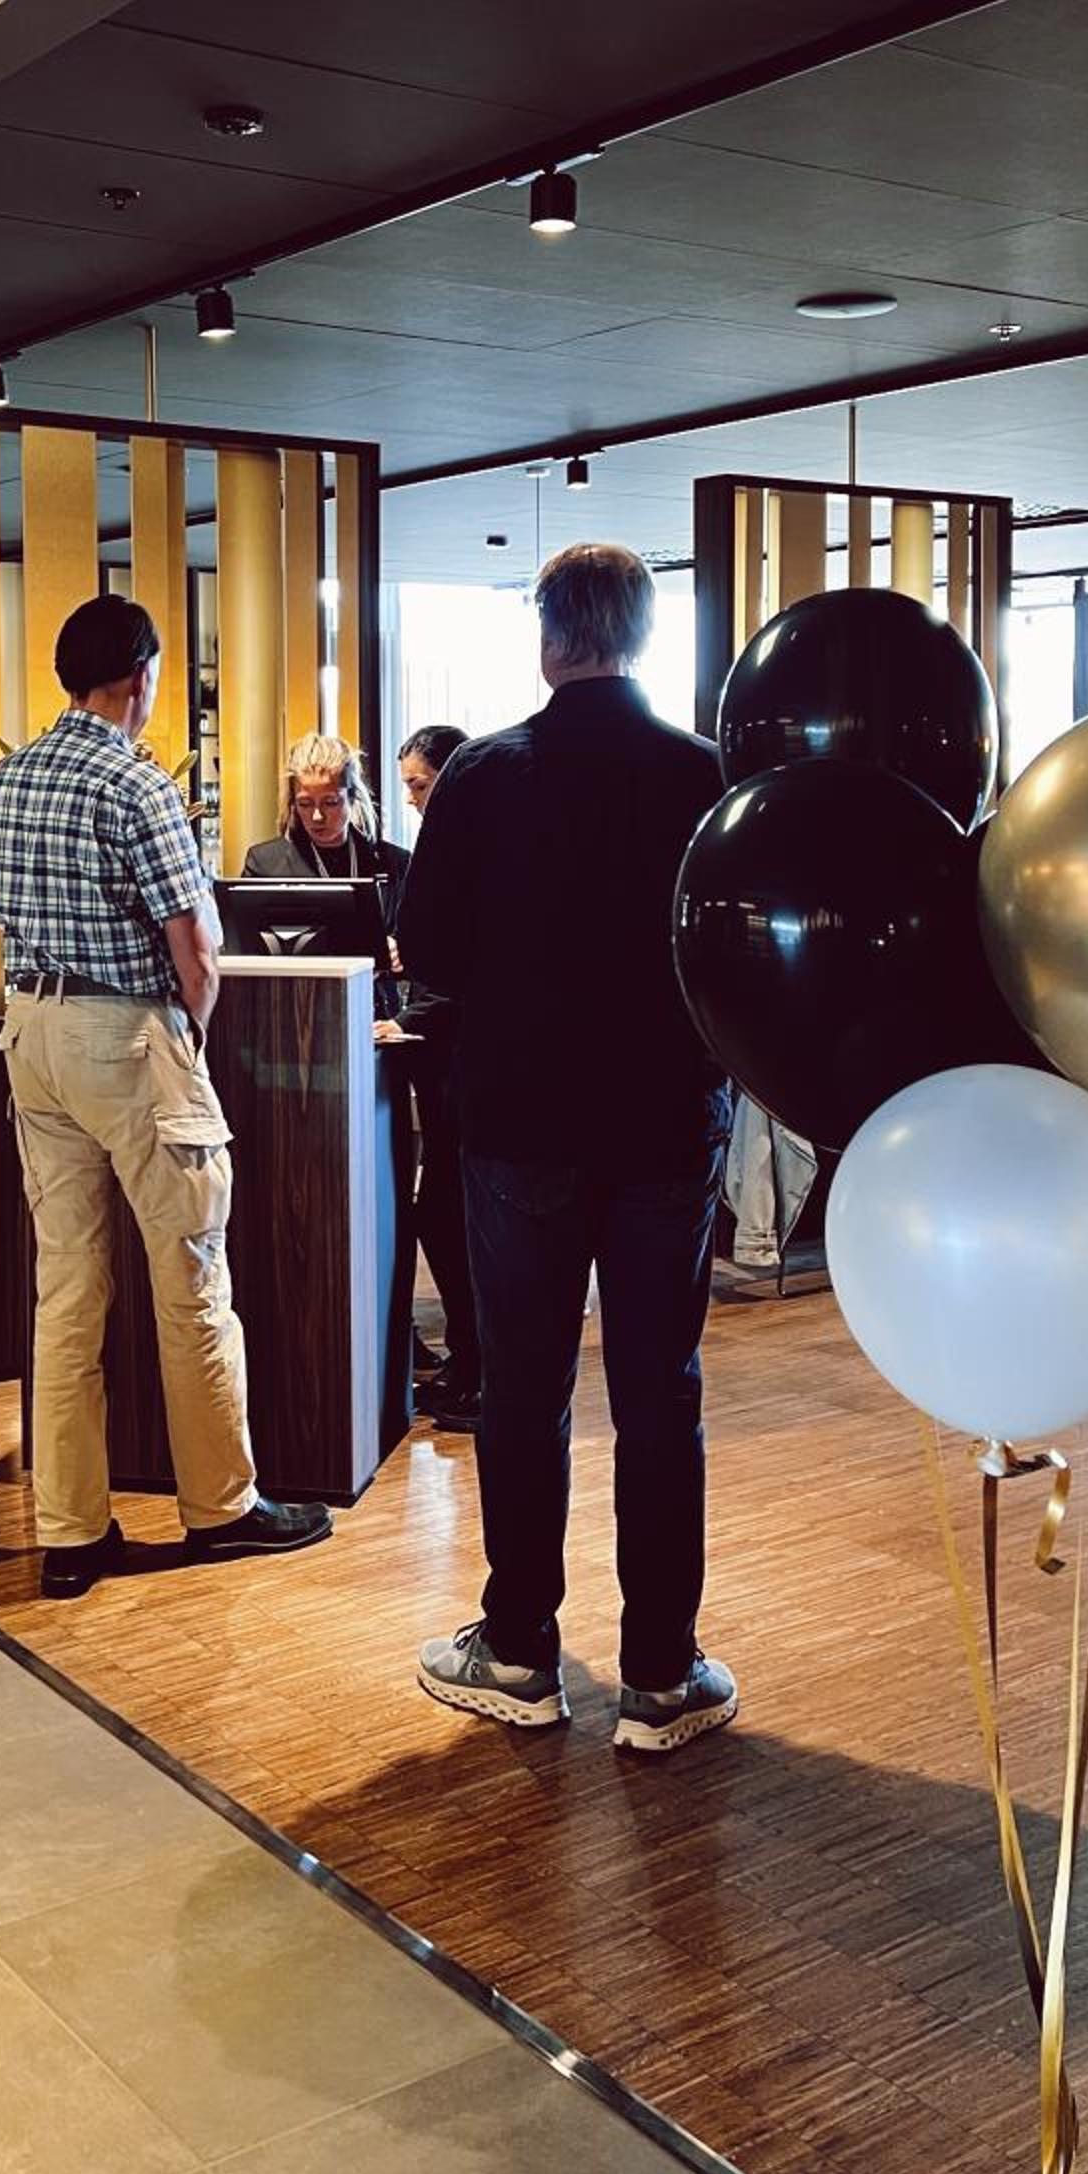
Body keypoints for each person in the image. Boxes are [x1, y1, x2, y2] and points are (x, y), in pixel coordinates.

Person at [396, 543, 737, 1753]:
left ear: (548, 639)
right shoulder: (708, 774)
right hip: (667, 1124)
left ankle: (519, 1651)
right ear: (642, 635)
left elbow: (429, 951)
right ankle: (662, 1674)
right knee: (660, 1394)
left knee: (525, 1388)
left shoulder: (485, 774)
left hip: (521, 1125)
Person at [0, 596, 332, 1598]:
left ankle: (71, 1532)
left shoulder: (7, 780)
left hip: (32, 1033)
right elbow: (197, 949)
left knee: (66, 1288)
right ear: (140, 676)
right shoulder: (136, 783)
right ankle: (221, 1508)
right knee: (192, 1277)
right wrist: (187, 1038)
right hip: (127, 1038)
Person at [396, 725, 479, 1428]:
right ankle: (467, 1361)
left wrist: (409, 1017)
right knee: (445, 1216)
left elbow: (457, 965)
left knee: (450, 1219)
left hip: (465, 1064)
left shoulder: (464, 848)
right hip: (445, 1060)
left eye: (419, 786)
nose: (413, 801)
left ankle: (476, 1367)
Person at [242, 735, 410, 893]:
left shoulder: (396, 864)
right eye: (305, 804)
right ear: (293, 803)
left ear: (352, 798)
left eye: (330, 803)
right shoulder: (264, 865)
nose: (317, 816)